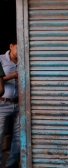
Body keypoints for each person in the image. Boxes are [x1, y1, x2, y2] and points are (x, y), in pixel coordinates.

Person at [0, 39, 19, 168]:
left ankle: (11, 165)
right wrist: (12, 76)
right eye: (18, 47)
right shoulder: (0, 59)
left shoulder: (25, 59)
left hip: (19, 104)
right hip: (2, 104)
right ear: (11, 46)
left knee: (19, 138)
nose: (20, 51)